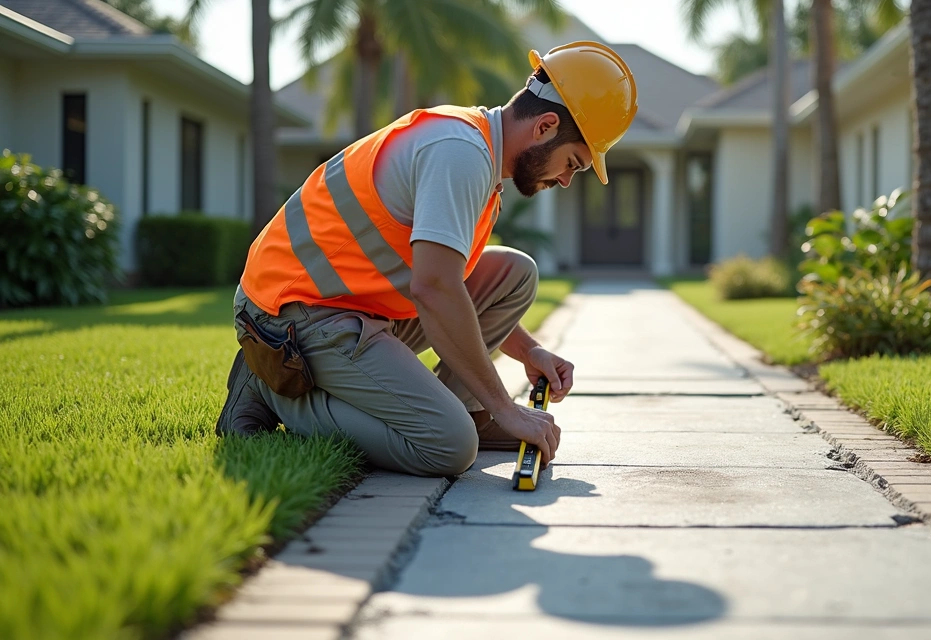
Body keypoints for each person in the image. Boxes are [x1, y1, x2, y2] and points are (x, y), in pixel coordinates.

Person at [214, 42, 638, 477]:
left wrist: (530, 352)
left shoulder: (478, 153)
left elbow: (450, 287)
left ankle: (469, 411)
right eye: (573, 163)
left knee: (514, 273)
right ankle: (272, 387)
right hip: (293, 317)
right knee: (449, 446)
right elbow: (434, 290)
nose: (566, 180)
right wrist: (505, 406)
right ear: (546, 127)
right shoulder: (460, 154)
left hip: (353, 305)